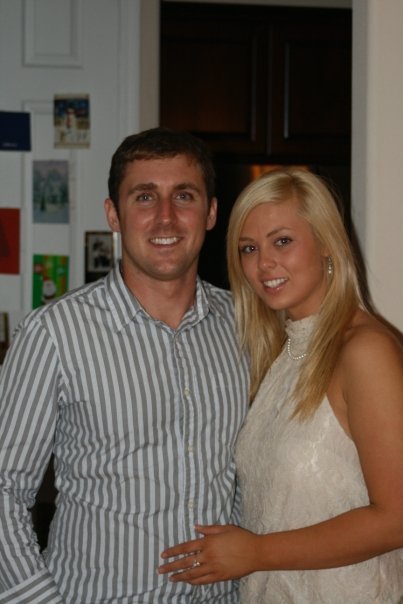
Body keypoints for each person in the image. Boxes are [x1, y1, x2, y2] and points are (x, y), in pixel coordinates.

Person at [0, 127, 249, 603]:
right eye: (144, 197)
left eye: (184, 196)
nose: (166, 216)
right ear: (114, 215)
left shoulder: (245, 326)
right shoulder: (54, 333)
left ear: (212, 212)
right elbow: (4, 489)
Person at [158, 167, 403, 602]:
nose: (263, 263)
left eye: (283, 241)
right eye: (249, 248)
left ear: (326, 242)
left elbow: (397, 518)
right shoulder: (280, 351)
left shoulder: (365, 350)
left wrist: (256, 552)